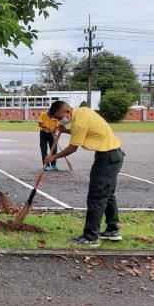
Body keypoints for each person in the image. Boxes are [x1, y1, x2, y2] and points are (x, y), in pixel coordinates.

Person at [45, 101, 124, 247]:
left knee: (97, 196)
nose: (58, 121)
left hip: (107, 158)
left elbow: (73, 148)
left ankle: (91, 237)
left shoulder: (79, 123)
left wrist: (53, 157)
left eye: (58, 117)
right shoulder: (84, 111)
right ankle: (113, 230)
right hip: (113, 155)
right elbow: (82, 131)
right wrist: (65, 130)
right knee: (108, 195)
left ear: (67, 111)